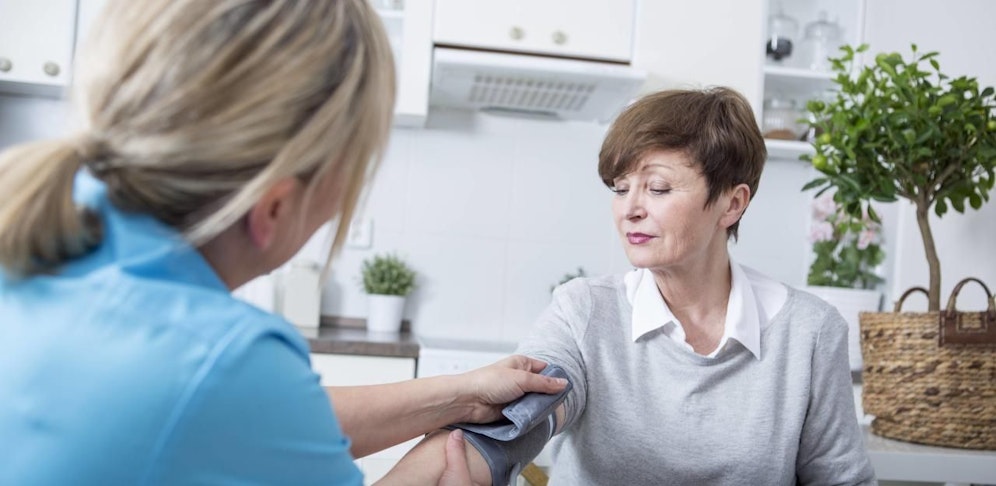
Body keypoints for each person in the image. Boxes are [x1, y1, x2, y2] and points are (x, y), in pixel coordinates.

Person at [0, 1, 565, 484]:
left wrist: (461, 395)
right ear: (273, 208)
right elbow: (238, 400)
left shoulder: (51, 246)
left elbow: (253, 416)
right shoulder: (220, 357)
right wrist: (448, 459)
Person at [387, 88, 877, 485]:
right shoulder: (584, 312)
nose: (630, 208)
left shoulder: (809, 332)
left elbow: (840, 480)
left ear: (731, 204)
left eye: (658, 188)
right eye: (621, 189)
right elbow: (507, 430)